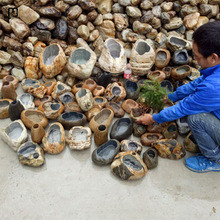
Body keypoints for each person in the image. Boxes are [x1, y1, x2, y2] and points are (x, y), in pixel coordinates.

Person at [136, 21, 220, 173]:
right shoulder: (215, 71)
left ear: (213, 58)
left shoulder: (214, 86)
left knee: (196, 118)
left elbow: (183, 108)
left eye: (197, 57)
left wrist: (153, 119)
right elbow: (196, 84)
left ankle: (215, 159)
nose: (194, 60)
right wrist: (170, 97)